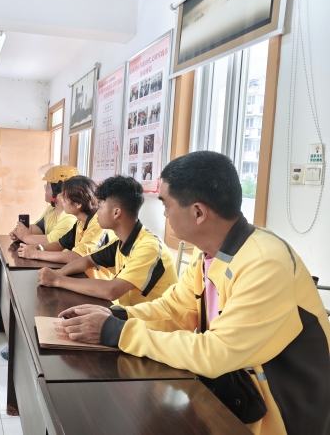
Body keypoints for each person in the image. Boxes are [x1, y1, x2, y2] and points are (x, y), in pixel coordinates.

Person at [58, 151, 330, 435]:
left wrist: (117, 332)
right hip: (234, 396)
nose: (164, 213)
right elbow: (174, 309)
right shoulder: (208, 255)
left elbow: (215, 353)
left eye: (166, 204)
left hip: (279, 419)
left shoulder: (265, 263)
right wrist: (116, 315)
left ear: (198, 213)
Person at [37, 175, 177, 305]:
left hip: (154, 322)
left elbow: (111, 290)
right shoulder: (121, 243)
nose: (96, 212)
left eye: (100, 206)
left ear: (116, 212)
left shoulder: (148, 247)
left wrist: (58, 280)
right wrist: (58, 273)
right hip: (130, 315)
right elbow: (87, 260)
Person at [17, 175, 112, 279]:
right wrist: (37, 247)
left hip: (98, 282)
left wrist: (35, 254)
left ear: (78, 203)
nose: (62, 199)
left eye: (65, 196)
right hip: (82, 277)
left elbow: (77, 257)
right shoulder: (81, 222)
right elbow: (60, 244)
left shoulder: (98, 223)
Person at [9, 165, 77, 245]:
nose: (45, 190)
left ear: (58, 190)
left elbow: (50, 242)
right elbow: (40, 228)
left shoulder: (69, 217)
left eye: (47, 186)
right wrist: (21, 232)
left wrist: (25, 237)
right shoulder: (52, 209)